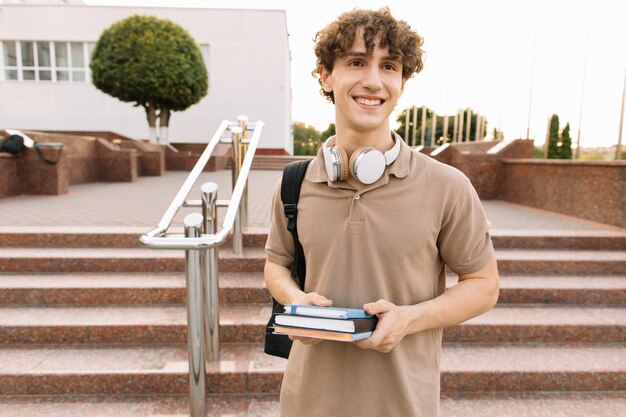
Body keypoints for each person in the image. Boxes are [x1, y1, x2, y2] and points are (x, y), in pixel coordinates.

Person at [264, 7, 499, 417]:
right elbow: (276, 265)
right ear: (325, 75)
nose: (373, 81)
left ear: (402, 82)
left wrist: (410, 318)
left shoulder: (447, 186)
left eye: (388, 66)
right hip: (306, 404)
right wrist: (296, 300)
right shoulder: (294, 183)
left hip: (404, 405)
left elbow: (483, 284)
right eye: (356, 62)